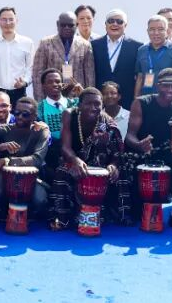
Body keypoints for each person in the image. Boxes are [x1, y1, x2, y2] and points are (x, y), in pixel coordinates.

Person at [124, 68, 172, 232]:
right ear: (157, 85)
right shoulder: (141, 103)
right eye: (166, 85)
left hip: (163, 152)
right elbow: (130, 136)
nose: (170, 90)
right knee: (136, 213)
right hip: (139, 153)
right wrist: (140, 145)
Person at [50, 87, 123, 230]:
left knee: (116, 173)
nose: (93, 107)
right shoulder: (69, 114)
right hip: (71, 158)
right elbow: (65, 147)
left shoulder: (106, 121)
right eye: (88, 103)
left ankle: (102, 213)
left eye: (97, 104)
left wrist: (114, 165)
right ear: (79, 105)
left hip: (97, 161)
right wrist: (75, 160)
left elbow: (116, 152)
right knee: (62, 171)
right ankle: (62, 217)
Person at [0, 97, 51, 220]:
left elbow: (37, 159)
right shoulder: (2, 130)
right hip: (5, 174)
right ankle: (4, 212)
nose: (20, 117)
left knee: (40, 201)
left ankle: (25, 215)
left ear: (34, 116)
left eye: (25, 114)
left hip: (32, 175)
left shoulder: (41, 131)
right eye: (17, 113)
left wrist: (8, 160)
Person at [32, 11, 94, 101]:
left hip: (77, 97)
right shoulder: (46, 43)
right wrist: (40, 101)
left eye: (70, 25)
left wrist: (88, 99)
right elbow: (37, 74)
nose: (67, 28)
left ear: (76, 25)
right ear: (57, 24)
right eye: (63, 25)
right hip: (51, 97)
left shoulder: (85, 45)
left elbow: (90, 76)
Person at [92, 9, 142, 110]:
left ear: (125, 25)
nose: (115, 24)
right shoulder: (94, 45)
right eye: (111, 21)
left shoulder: (136, 46)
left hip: (126, 99)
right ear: (105, 24)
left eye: (119, 21)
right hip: (100, 99)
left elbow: (139, 76)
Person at [0, 6, 34, 105]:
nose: (8, 23)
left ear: (16, 21)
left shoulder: (27, 42)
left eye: (11, 19)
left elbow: (30, 67)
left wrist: (24, 82)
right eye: (4, 19)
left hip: (19, 92)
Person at [36, 68, 77, 173]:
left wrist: (82, 93)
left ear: (62, 84)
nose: (55, 84)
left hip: (75, 153)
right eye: (50, 82)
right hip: (51, 157)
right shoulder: (39, 108)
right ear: (43, 86)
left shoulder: (74, 103)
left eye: (58, 81)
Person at [134, 15, 172, 97]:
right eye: (152, 29)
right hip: (146, 98)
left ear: (167, 31)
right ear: (147, 31)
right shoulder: (142, 50)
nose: (156, 33)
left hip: (168, 98)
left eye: (160, 29)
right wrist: (136, 99)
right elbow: (139, 77)